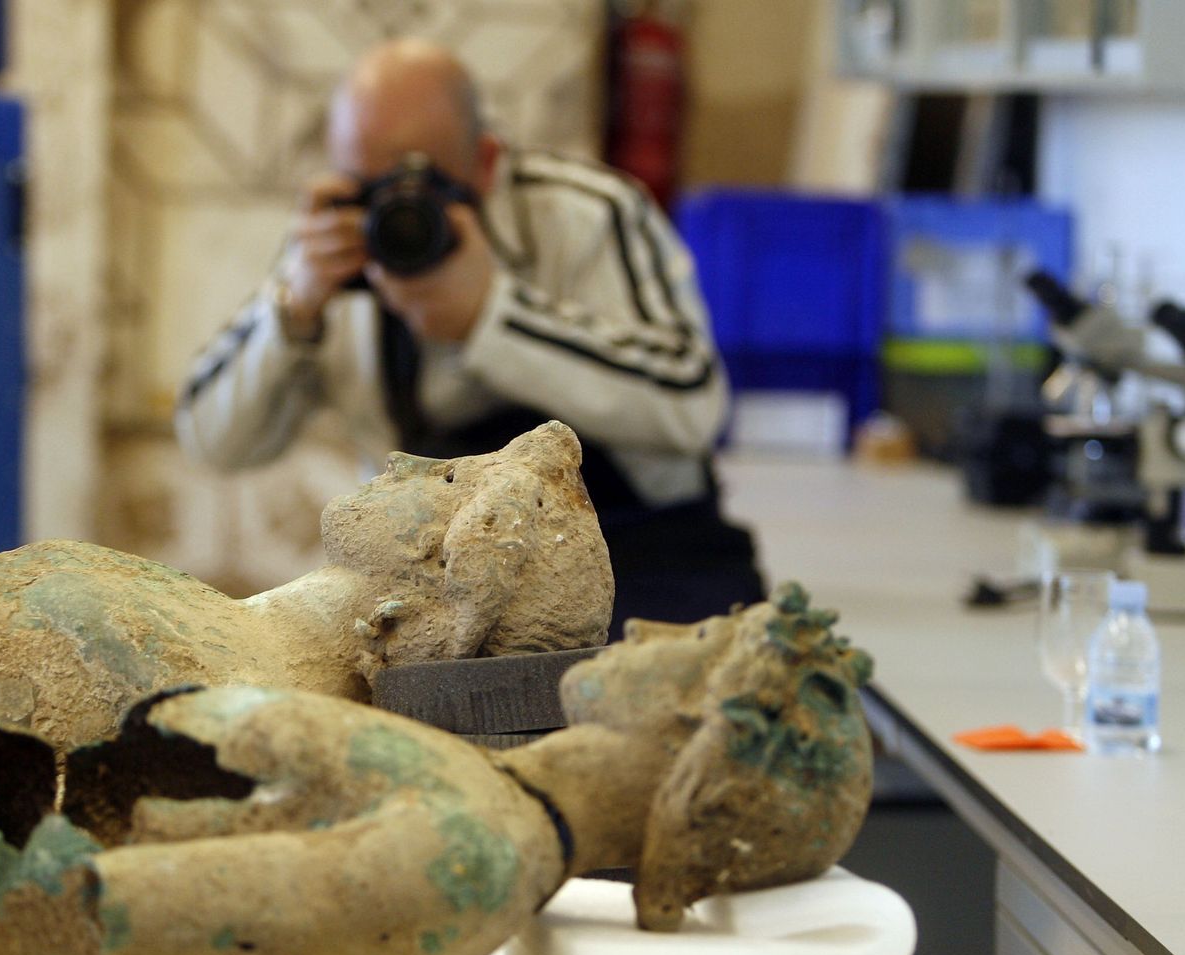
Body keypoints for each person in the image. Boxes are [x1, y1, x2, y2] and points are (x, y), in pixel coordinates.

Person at [177, 39, 763, 629]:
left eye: (416, 183)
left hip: (644, 553)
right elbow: (210, 440)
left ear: (485, 162)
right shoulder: (329, 247)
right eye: (366, 187)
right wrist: (293, 312)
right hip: (434, 577)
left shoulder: (587, 214)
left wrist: (492, 317)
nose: (393, 215)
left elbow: (695, 407)